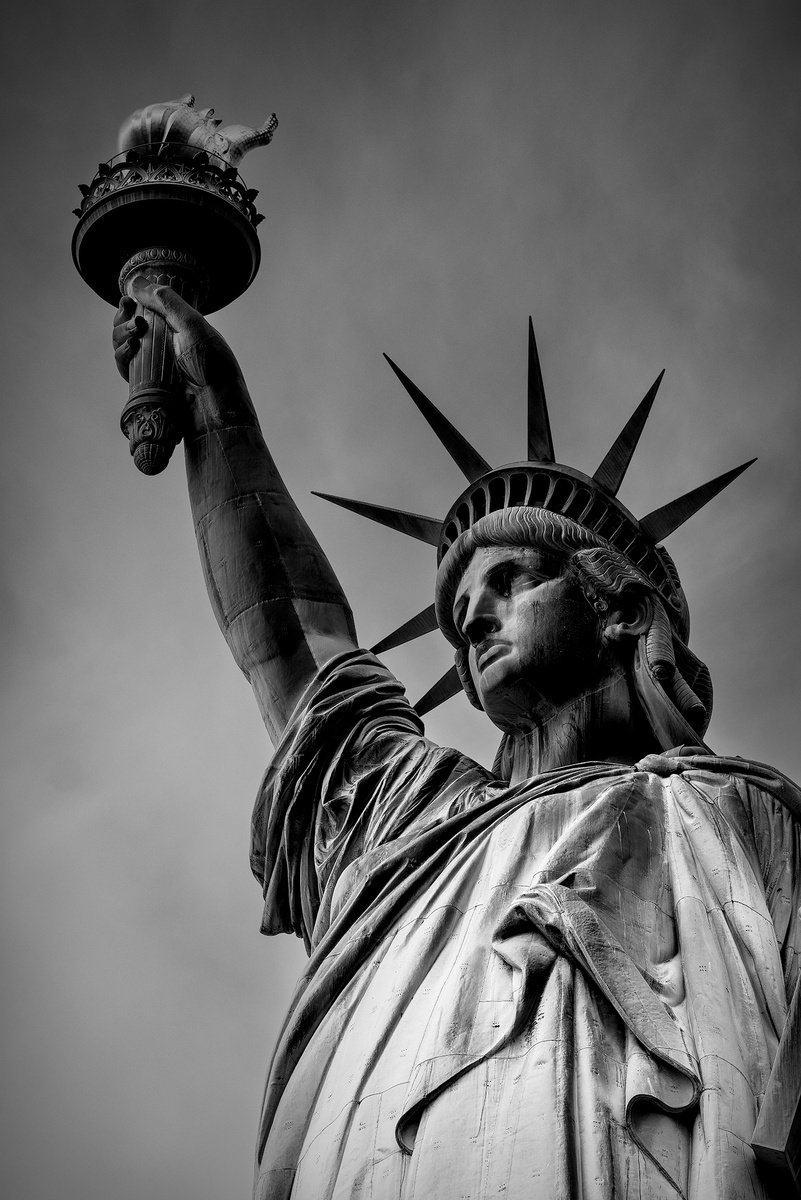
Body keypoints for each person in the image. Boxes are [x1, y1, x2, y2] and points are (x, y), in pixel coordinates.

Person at [114, 281, 801, 1200]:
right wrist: (214, 410)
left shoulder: (737, 817)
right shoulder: (414, 823)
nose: (474, 617)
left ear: (620, 612)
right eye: (458, 612)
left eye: (510, 579)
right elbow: (292, 639)